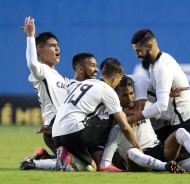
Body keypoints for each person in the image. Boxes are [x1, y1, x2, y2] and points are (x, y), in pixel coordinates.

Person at [100, 75, 190, 173]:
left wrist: (169, 96)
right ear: (116, 96)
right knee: (132, 152)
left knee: (180, 132)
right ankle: (166, 167)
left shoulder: (145, 106)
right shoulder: (109, 114)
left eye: (131, 93)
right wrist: (116, 115)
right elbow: (100, 117)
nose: (130, 98)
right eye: (125, 95)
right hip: (137, 159)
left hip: (158, 149)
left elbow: (163, 112)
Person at [128, 29, 190, 161]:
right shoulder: (158, 63)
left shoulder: (161, 67)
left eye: (139, 51)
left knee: (181, 164)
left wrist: (133, 119)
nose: (137, 55)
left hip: (187, 120)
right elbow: (161, 97)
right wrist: (167, 94)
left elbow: (161, 105)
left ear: (150, 46)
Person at [52, 58, 140, 172]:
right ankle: (106, 163)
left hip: (57, 135)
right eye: (118, 81)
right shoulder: (107, 90)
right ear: (115, 78)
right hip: (74, 132)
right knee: (120, 116)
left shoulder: (84, 83)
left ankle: (67, 155)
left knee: (90, 168)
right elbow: (124, 126)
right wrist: (138, 148)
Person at [20, 17, 68, 158]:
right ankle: (34, 162)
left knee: (84, 162)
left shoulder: (59, 77)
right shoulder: (41, 71)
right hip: (53, 129)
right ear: (40, 50)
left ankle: (44, 157)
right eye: (52, 45)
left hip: (65, 127)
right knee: (76, 165)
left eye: (57, 45)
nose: (57, 48)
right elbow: (32, 64)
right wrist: (30, 37)